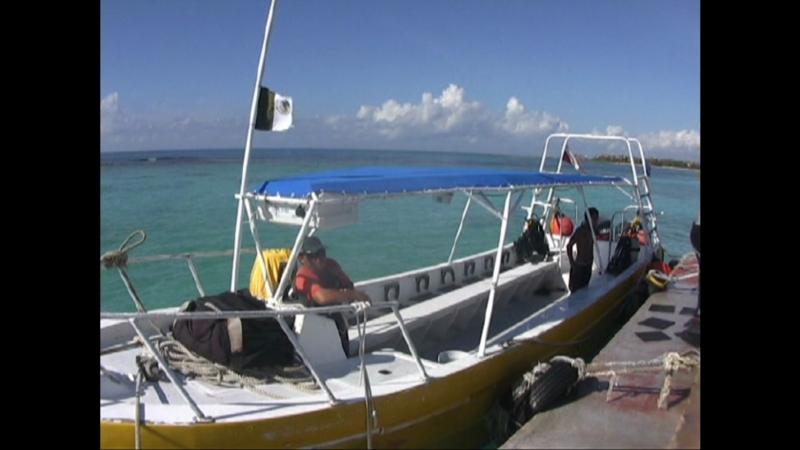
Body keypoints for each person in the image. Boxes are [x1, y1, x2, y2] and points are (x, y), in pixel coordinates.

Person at [293, 236, 370, 356]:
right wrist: (352, 295)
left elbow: (347, 283)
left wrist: (350, 292)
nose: (319, 259)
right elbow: (321, 297)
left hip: (336, 319)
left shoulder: (331, 265)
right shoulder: (303, 277)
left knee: (344, 350)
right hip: (316, 326)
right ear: (302, 258)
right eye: (313, 256)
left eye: (321, 253)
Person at [566, 207, 599, 292]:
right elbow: (569, 246)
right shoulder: (580, 231)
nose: (596, 221)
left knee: (585, 289)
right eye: (594, 219)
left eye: (597, 219)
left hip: (588, 265)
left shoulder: (594, 231)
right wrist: (572, 263)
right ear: (588, 219)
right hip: (579, 266)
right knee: (575, 290)